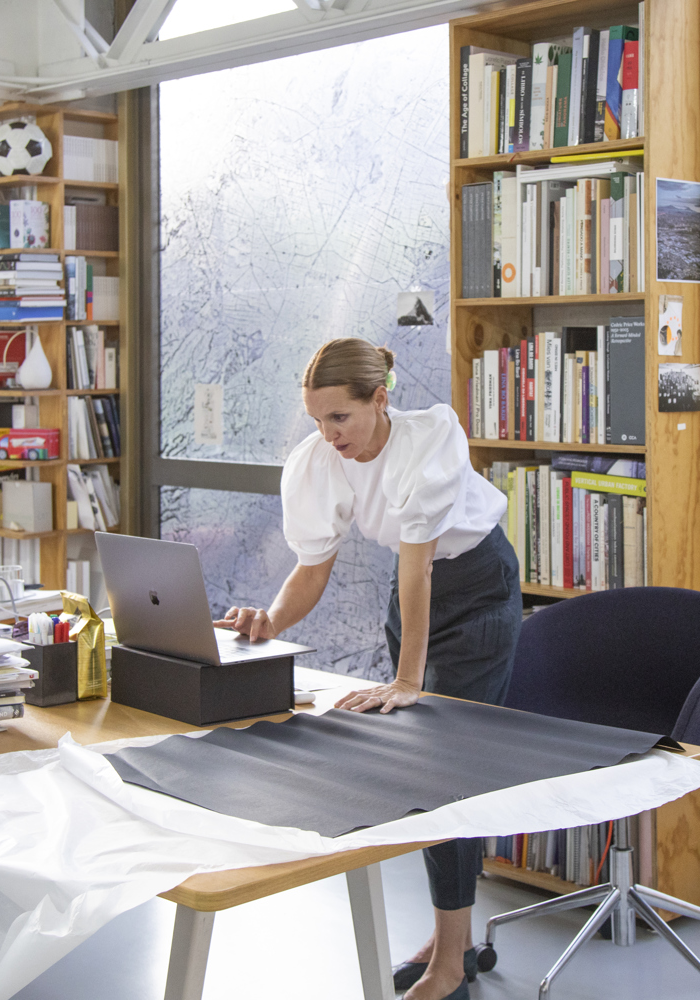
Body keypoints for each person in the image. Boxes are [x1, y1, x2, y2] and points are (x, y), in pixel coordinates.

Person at [214, 338, 522, 1000]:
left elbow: (418, 563)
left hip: (477, 589)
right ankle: (453, 939)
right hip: (410, 601)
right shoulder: (321, 460)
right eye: (318, 420)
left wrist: (407, 681)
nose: (328, 435)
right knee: (423, 764)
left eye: (340, 419)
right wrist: (270, 620)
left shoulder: (429, 437)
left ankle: (447, 962)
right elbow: (311, 568)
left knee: (447, 770)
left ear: (379, 400)